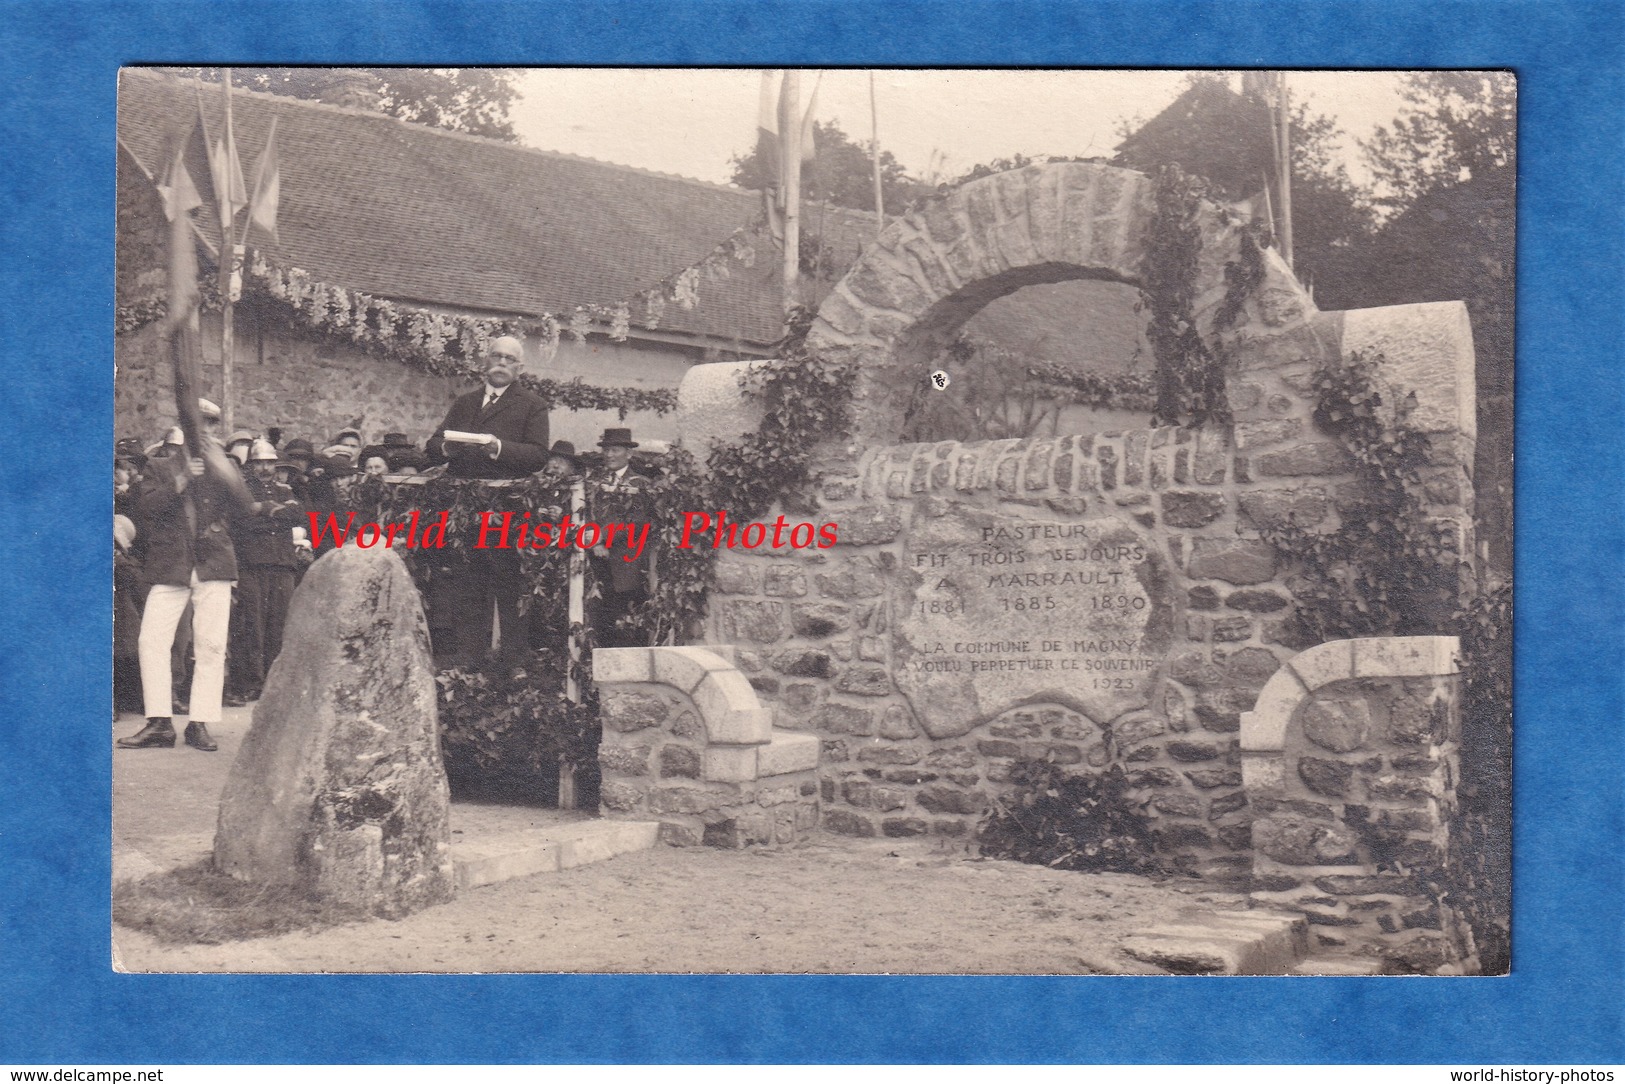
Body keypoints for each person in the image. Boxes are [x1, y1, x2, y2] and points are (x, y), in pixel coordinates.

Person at [118, 399, 253, 752]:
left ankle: (199, 722)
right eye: (198, 424)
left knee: (210, 645)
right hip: (171, 564)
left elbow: (246, 509)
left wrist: (224, 468)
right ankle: (160, 722)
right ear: (184, 427)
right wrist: (180, 480)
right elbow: (144, 508)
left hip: (213, 563)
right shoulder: (160, 467)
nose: (204, 431)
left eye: (210, 425)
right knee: (152, 641)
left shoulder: (225, 467)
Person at [423, 334, 550, 672]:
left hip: (508, 510)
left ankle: (513, 665)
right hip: (466, 510)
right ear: (486, 361)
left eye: (510, 359)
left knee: (510, 585)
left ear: (519, 368)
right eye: (497, 357)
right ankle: (470, 662)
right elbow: (434, 444)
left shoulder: (531, 405)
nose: (502, 364)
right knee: (468, 585)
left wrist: (497, 447)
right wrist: (450, 447)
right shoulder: (465, 403)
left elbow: (538, 455)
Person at [226, 440, 303, 704]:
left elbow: (298, 514)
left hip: (282, 565)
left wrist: (266, 510)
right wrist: (275, 514)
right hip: (252, 564)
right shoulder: (242, 491)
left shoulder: (285, 489)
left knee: (279, 624)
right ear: (252, 465)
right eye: (260, 463)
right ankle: (253, 683)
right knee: (252, 626)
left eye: (269, 463)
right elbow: (242, 522)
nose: (265, 468)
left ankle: (275, 681)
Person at [585, 427, 654, 648]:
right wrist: (595, 541)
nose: (609, 455)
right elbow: (584, 514)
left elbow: (637, 521)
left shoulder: (640, 484)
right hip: (596, 560)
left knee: (627, 621)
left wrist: (603, 538)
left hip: (627, 563)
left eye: (615, 450)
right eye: (606, 450)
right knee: (599, 617)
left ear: (629, 454)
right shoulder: (593, 482)